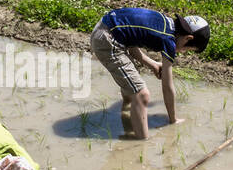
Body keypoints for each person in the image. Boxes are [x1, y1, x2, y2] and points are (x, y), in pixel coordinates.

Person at [90, 8, 210, 140]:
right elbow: (167, 86)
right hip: (107, 40)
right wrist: (173, 119)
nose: (182, 52)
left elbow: (129, 38)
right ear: (188, 38)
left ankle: (127, 111)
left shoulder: (166, 22)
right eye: (187, 49)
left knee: (132, 80)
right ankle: (141, 143)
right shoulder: (169, 41)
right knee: (141, 94)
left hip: (106, 29)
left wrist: (152, 64)